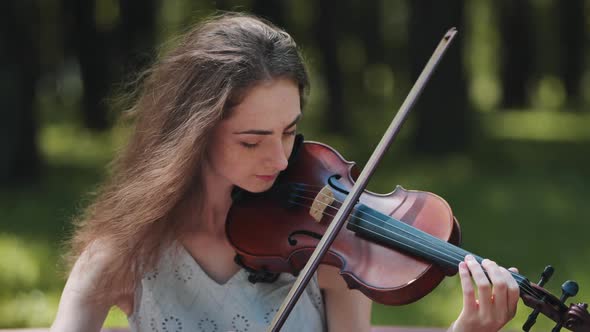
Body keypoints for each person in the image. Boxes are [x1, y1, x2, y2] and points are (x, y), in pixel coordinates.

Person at [50, 13, 520, 332]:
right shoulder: (120, 257)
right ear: (190, 136)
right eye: (251, 141)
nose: (279, 160)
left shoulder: (329, 250)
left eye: (290, 132)